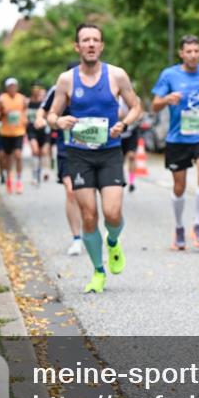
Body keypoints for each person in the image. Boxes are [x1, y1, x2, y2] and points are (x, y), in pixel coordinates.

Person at [47, 24, 142, 293]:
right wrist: (59, 120)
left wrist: (124, 124)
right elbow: (51, 116)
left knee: (112, 213)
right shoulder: (66, 80)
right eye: (85, 40)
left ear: (101, 46)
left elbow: (136, 107)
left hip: (110, 152)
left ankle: (113, 240)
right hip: (79, 156)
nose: (90, 44)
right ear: (77, 47)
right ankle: (98, 272)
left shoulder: (116, 75)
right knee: (89, 216)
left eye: (95, 40)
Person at [151, 35, 199, 250]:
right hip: (178, 138)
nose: (193, 55)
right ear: (181, 53)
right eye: (188, 51)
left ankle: (198, 224)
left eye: (196, 51)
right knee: (179, 186)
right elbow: (154, 106)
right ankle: (180, 227)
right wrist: (166, 99)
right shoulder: (169, 75)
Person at [37, 66, 83, 256]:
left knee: (87, 196)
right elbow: (44, 111)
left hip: (93, 150)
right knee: (71, 192)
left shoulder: (98, 86)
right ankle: (76, 238)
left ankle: (91, 232)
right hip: (67, 149)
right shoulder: (58, 89)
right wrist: (42, 120)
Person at [0, 78, 28, 194]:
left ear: (17, 87)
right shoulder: (1, 99)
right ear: (7, 88)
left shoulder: (22, 98)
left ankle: (18, 181)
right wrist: (3, 113)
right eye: (10, 86)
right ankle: (8, 178)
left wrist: (25, 119)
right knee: (5, 157)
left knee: (18, 155)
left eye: (14, 86)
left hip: (19, 132)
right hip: (5, 132)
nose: (12, 88)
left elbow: (26, 111)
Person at [26, 83, 51, 184]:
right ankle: (35, 175)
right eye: (34, 88)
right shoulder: (27, 102)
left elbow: (50, 114)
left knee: (44, 152)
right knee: (35, 150)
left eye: (38, 89)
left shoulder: (44, 103)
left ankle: (45, 170)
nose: (36, 90)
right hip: (32, 130)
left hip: (44, 130)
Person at [118, 89, 142, 192]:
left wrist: (134, 116)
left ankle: (132, 182)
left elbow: (140, 114)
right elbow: (117, 115)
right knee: (120, 159)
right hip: (119, 133)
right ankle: (120, 178)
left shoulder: (136, 100)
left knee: (132, 156)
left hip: (132, 132)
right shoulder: (117, 100)